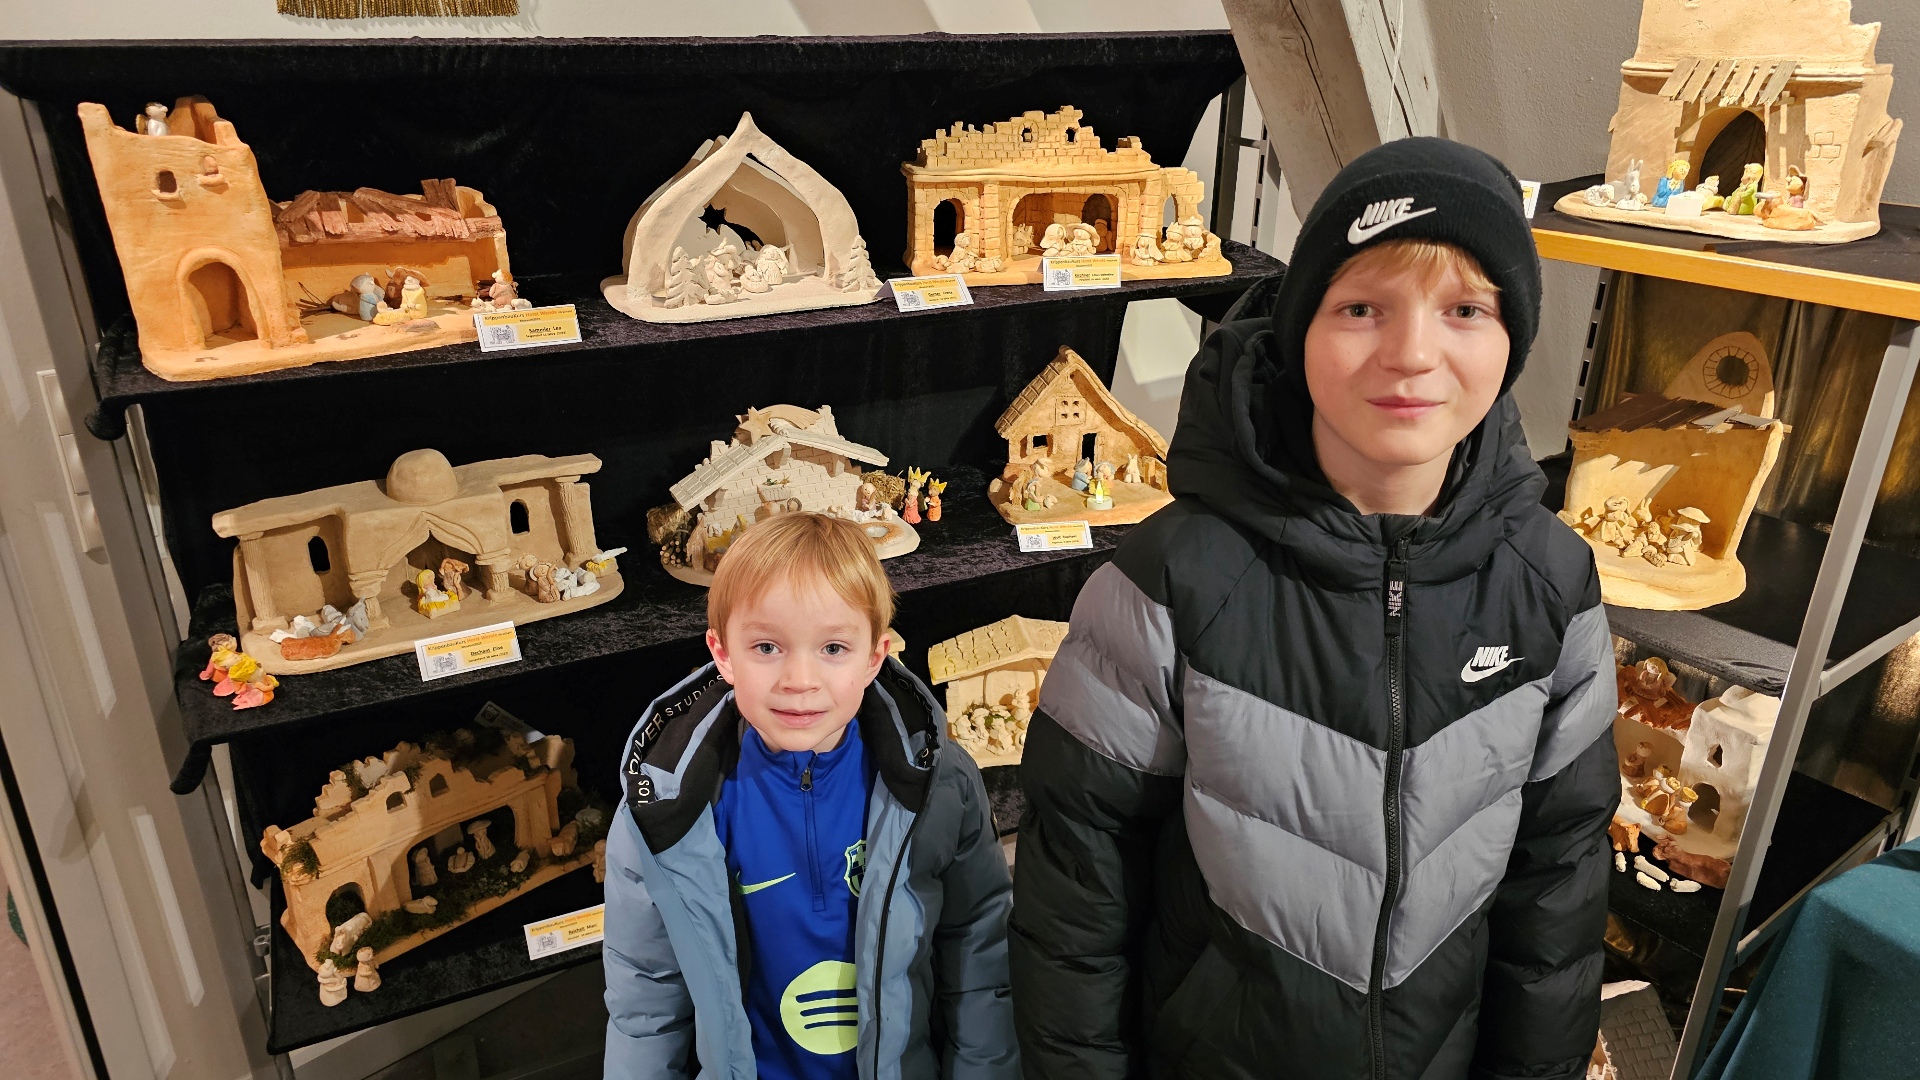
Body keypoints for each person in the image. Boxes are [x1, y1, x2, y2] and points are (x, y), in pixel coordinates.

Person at [1011, 138, 1617, 1079]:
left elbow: (1559, 884)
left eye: (1465, 309)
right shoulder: (1172, 577)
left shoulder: (1551, 582)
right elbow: (1076, 887)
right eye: (1361, 308)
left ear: (1513, 339)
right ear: (1300, 330)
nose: (1411, 354)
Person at [604, 512, 1017, 1080]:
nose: (799, 680)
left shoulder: (940, 784)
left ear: (875, 657)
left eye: (833, 648)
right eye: (767, 646)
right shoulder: (665, 808)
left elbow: (980, 957)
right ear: (723, 654)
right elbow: (645, 1000)